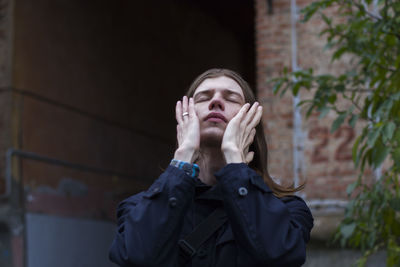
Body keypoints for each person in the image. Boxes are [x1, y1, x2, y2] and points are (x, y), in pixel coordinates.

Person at [109, 68, 314, 267]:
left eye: (231, 98)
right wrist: (183, 157)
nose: (216, 101)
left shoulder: (288, 210)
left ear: (250, 119)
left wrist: (235, 161)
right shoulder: (138, 207)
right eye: (203, 98)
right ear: (185, 115)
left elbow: (277, 255)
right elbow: (136, 256)